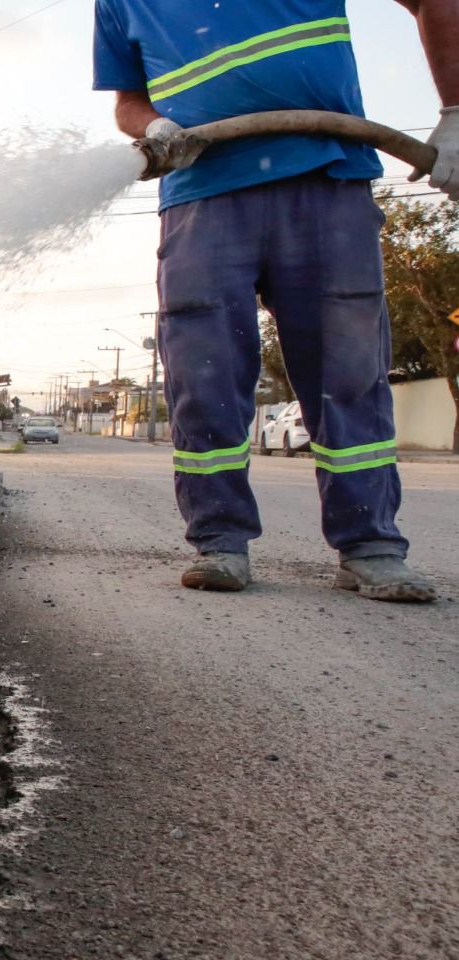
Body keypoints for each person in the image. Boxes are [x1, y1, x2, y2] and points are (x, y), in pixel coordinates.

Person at [93, 0, 459, 601]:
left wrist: (454, 112)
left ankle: (369, 545)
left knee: (349, 370)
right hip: (202, 192)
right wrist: (153, 127)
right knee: (203, 372)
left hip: (327, 176)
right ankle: (220, 541)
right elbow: (128, 103)